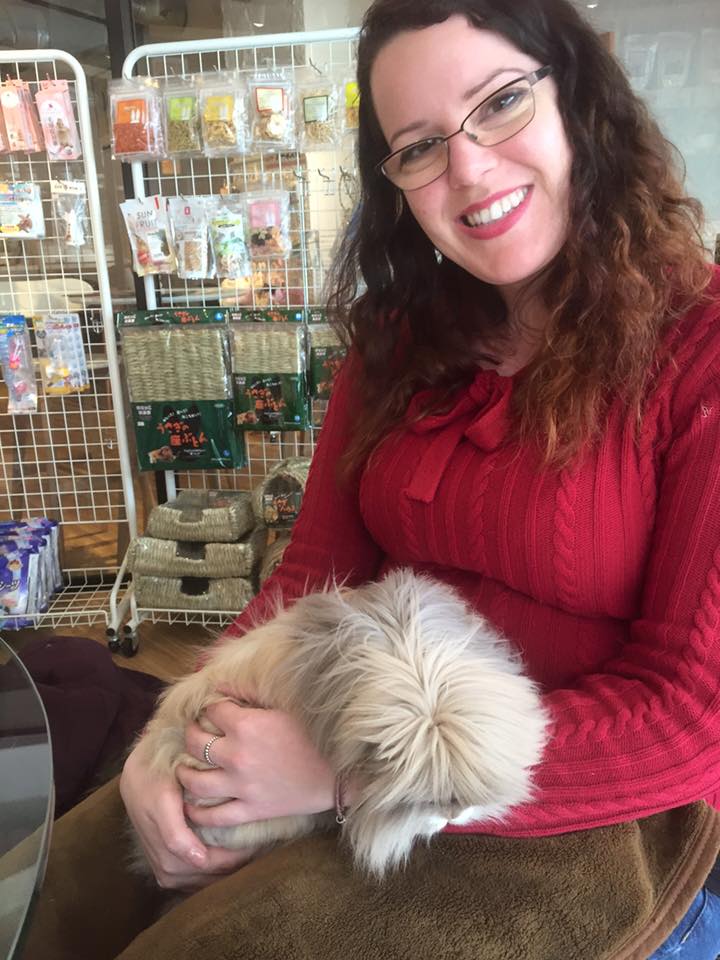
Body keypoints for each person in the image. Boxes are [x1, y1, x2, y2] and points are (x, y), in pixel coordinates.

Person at [23, 0, 720, 957]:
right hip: (341, 715)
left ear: (582, 105)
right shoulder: (398, 342)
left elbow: (690, 718)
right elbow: (308, 573)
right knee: (52, 884)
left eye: (502, 103)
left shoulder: (700, 353)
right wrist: (178, 739)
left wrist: (355, 778)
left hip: (586, 806)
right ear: (394, 183)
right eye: (420, 145)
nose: (469, 168)